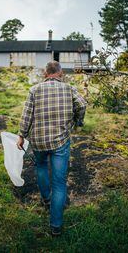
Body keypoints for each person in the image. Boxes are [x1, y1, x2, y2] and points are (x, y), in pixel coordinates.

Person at [17, 61, 87, 236]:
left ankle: (47, 200)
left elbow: (27, 115)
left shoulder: (34, 90)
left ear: (45, 73)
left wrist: (21, 136)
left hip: (38, 141)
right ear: (60, 73)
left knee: (40, 166)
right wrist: (78, 121)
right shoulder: (69, 89)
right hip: (60, 141)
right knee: (59, 182)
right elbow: (82, 105)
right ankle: (55, 226)